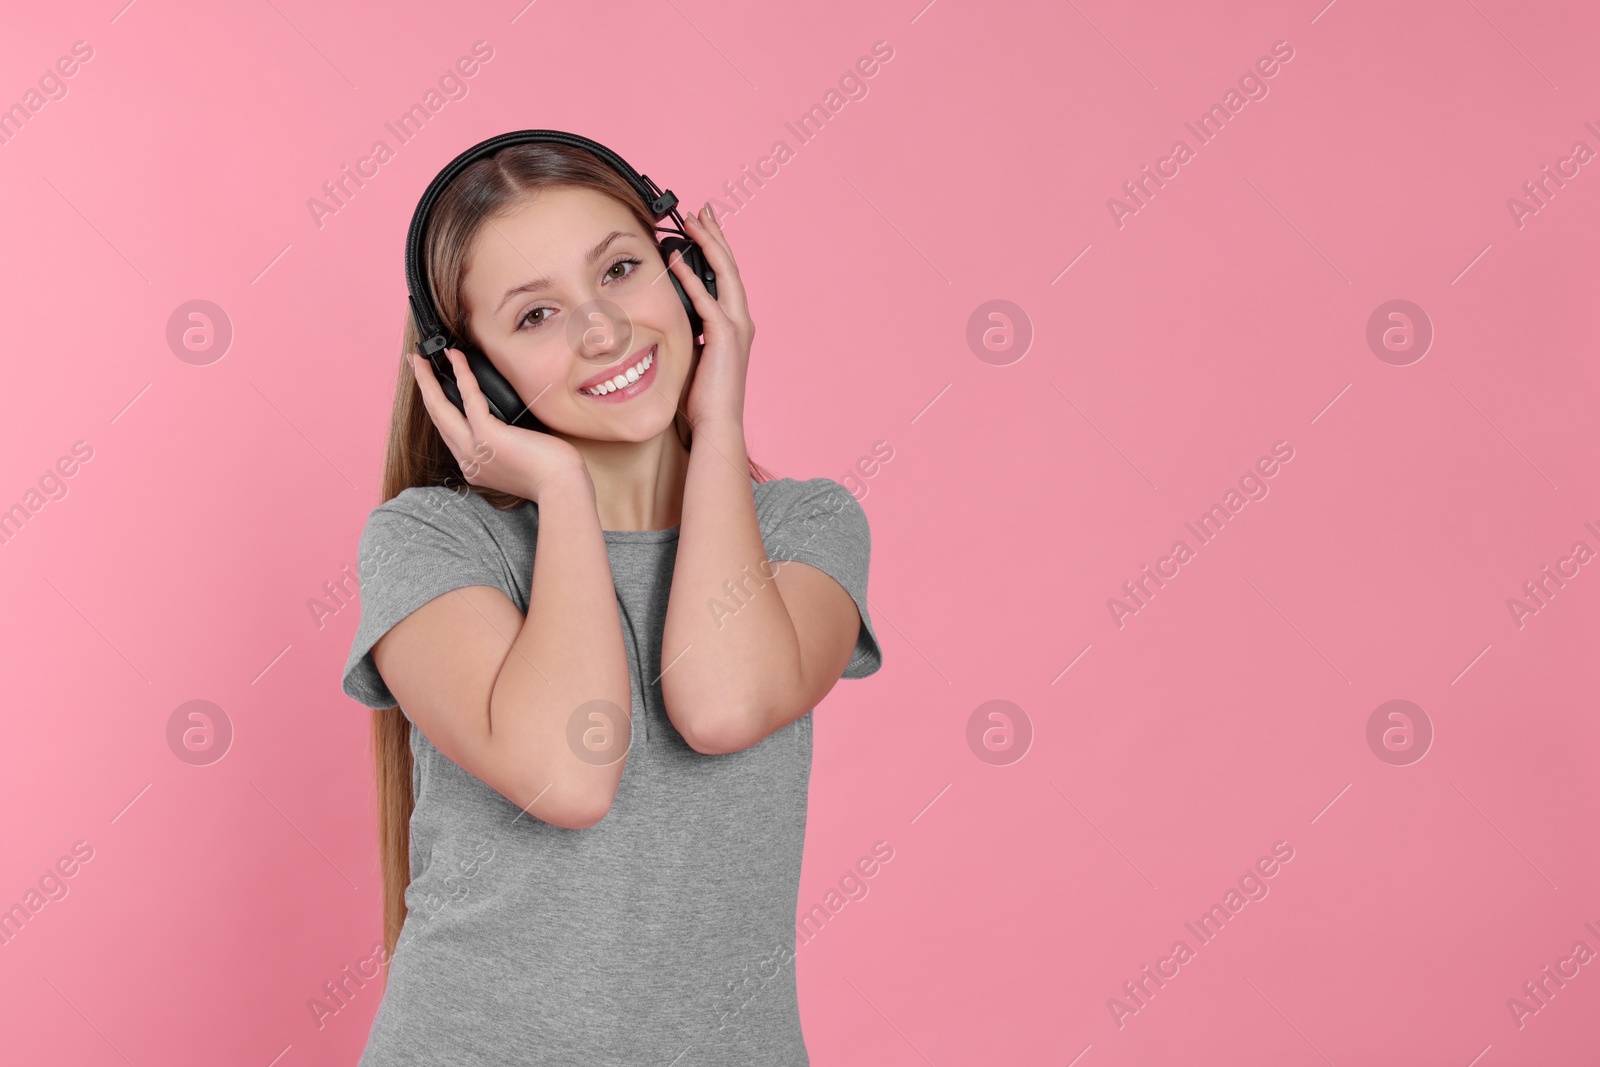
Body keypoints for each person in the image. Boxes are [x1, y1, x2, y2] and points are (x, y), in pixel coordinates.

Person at [339, 137, 884, 1065]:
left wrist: (717, 422)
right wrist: (559, 489)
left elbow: (720, 703)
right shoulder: (432, 543)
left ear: (689, 272)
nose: (601, 330)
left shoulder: (807, 528)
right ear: (477, 373)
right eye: (538, 314)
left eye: (622, 270)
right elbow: (570, 773)